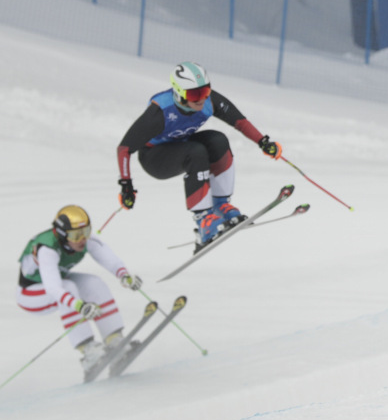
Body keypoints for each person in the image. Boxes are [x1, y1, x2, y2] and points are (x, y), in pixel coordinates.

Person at [116, 61, 283, 249]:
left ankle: (220, 206)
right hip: (154, 158)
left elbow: (239, 121)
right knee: (196, 152)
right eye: (195, 94)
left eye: (205, 91)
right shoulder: (160, 111)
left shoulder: (209, 101)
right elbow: (124, 149)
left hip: (180, 145)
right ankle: (203, 220)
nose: (201, 99)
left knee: (218, 141)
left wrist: (263, 142)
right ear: (179, 93)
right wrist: (126, 185)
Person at [16, 205, 143, 375]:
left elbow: (107, 257)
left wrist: (124, 276)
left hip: (59, 284)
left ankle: (114, 341)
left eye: (86, 231)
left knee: (94, 283)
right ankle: (89, 353)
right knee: (68, 288)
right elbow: (53, 288)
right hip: (30, 295)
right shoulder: (47, 249)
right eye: (76, 235)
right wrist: (80, 306)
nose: (82, 239)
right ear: (62, 235)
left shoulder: (83, 240)